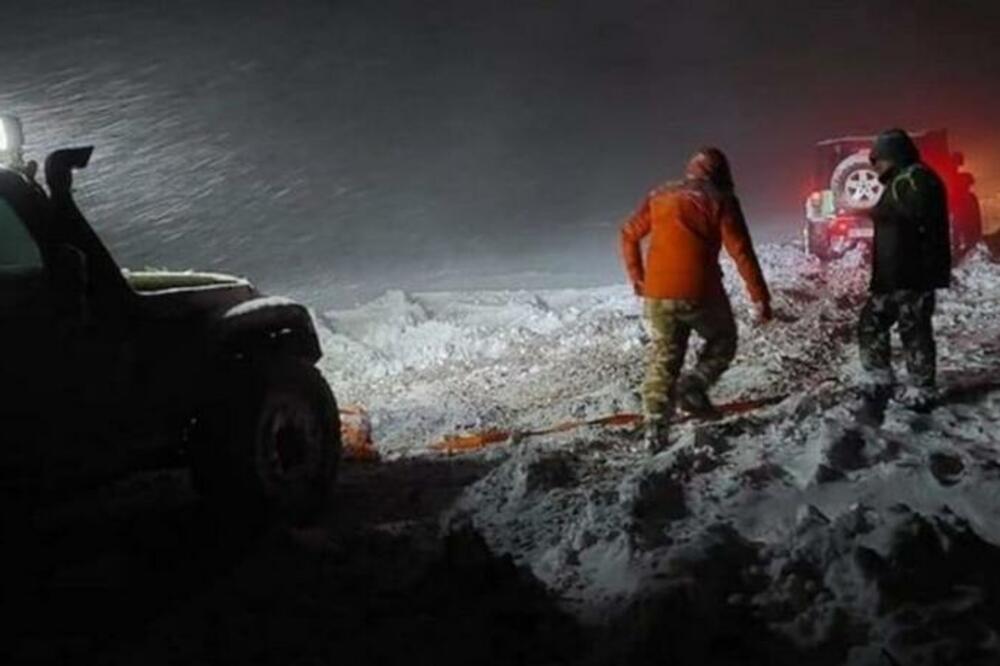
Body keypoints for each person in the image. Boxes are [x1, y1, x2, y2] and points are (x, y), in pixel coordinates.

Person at [620, 147, 771, 453]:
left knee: (664, 357)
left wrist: (638, 278)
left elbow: (628, 234)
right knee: (723, 339)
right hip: (701, 291)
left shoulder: (661, 194)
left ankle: (655, 427)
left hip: (658, 293)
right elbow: (741, 251)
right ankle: (693, 387)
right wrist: (760, 297)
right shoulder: (721, 199)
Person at [856, 129, 951, 422]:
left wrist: (877, 213)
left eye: (878, 160)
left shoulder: (915, 178)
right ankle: (880, 377)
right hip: (893, 274)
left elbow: (914, 215)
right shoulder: (902, 179)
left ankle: (922, 389)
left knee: (914, 329)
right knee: (872, 323)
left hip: (913, 273)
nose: (875, 167)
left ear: (894, 156)